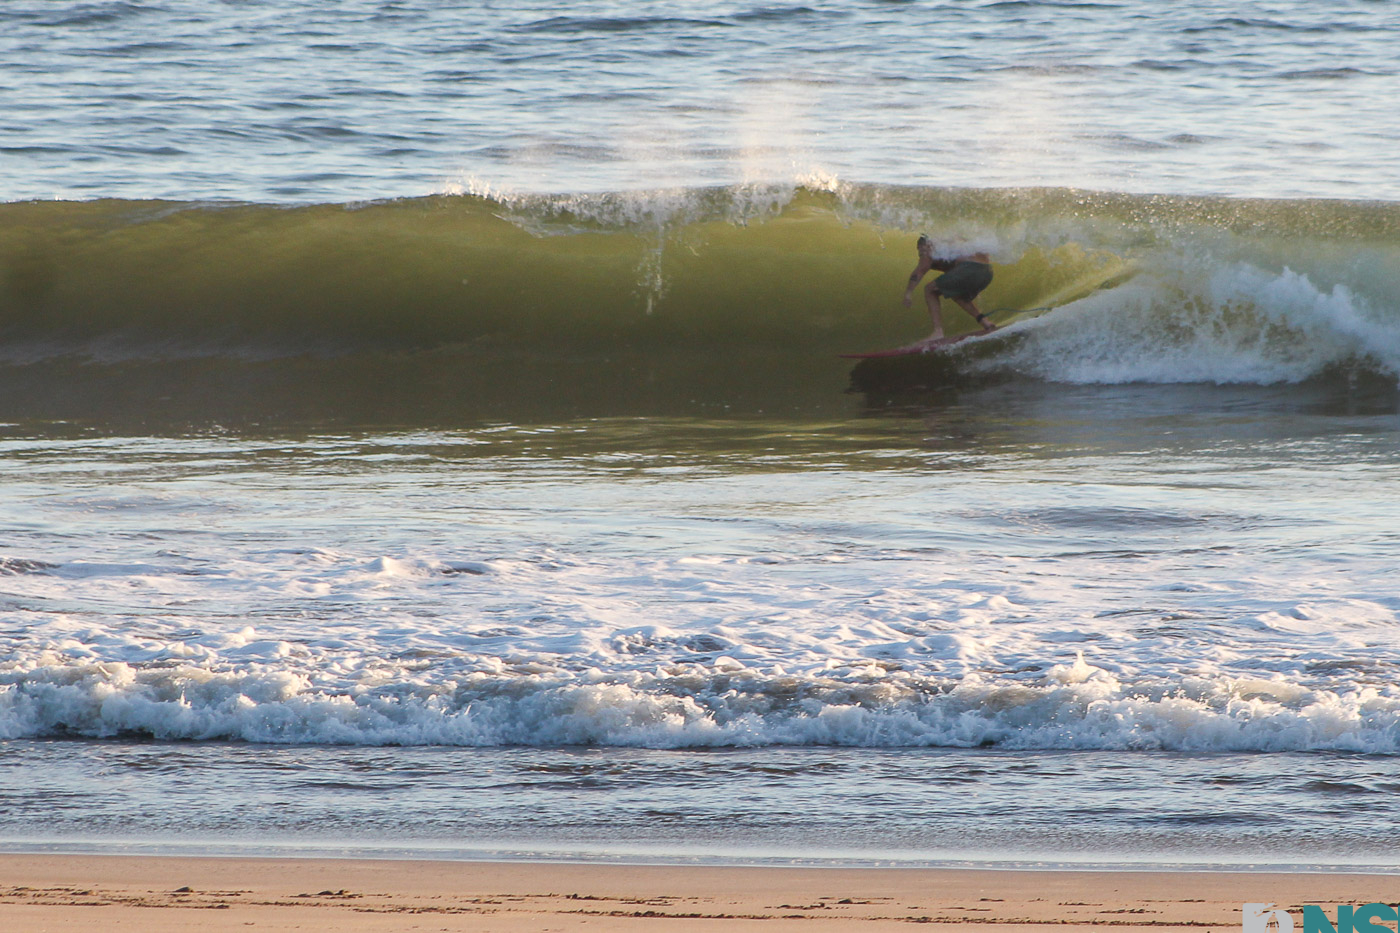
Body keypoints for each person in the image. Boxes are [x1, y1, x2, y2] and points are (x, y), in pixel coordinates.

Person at [901, 234, 995, 339]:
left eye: (919, 249)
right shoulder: (948, 244)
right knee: (955, 292)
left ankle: (938, 332)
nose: (920, 253)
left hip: (970, 268)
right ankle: (985, 322)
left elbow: (920, 271)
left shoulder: (928, 247)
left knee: (929, 290)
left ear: (924, 245)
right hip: (987, 272)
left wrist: (908, 293)